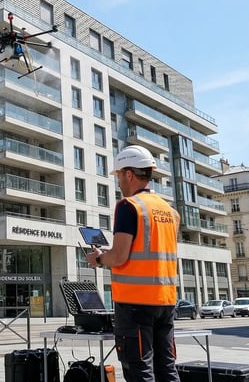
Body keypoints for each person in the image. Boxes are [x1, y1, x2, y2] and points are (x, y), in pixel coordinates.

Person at [88, 145, 180, 382]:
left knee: (139, 369)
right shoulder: (171, 212)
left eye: (118, 175)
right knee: (166, 368)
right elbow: (146, 250)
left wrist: (98, 258)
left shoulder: (129, 206)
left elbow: (119, 257)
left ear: (129, 174)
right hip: (166, 301)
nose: (118, 182)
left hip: (135, 303)